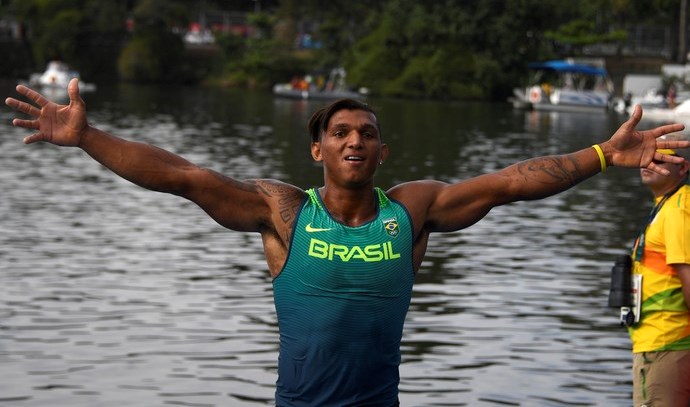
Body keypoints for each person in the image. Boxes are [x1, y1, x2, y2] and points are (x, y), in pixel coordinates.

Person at [5, 79, 689, 407]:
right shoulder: (283, 212)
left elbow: (509, 182)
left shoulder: (411, 211)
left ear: (382, 150)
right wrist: (87, 136)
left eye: (365, 132)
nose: (354, 139)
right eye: (340, 132)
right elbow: (182, 177)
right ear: (318, 150)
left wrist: (603, 152)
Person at [628, 134, 690, 407]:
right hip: (655, 342)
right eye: (647, 154)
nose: (648, 162)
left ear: (683, 168)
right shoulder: (665, 205)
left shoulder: (678, 210)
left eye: (660, 157)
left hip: (669, 343)